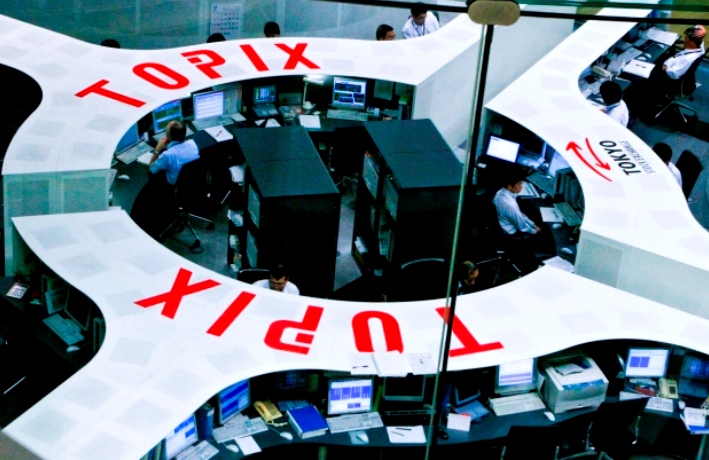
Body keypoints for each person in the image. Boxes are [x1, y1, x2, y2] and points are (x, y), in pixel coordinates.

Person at [148, 120, 200, 186]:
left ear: (169, 137)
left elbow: (151, 169)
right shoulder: (192, 143)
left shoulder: (167, 155)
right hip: (192, 181)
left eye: (166, 131)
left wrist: (157, 150)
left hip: (174, 187)